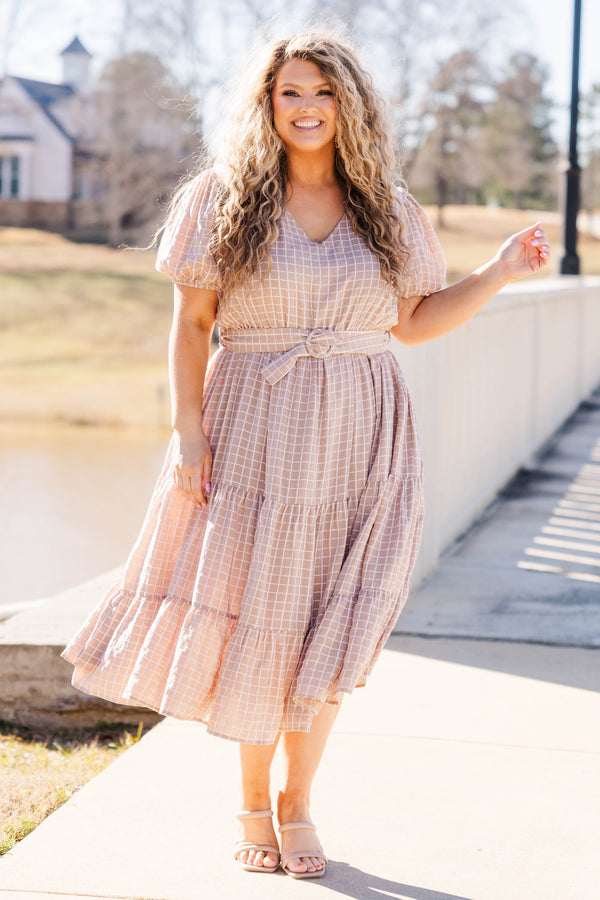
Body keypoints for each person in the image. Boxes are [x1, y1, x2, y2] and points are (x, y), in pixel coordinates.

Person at [61, 30, 550, 879]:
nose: (308, 107)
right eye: (291, 91)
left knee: (336, 625)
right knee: (261, 616)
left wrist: (499, 271)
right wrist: (188, 431)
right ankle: (254, 803)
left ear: (350, 105)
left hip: (363, 436)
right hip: (253, 428)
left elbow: (413, 324)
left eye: (324, 92)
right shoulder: (222, 198)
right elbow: (192, 325)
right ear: (267, 103)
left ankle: (298, 803)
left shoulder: (388, 208)